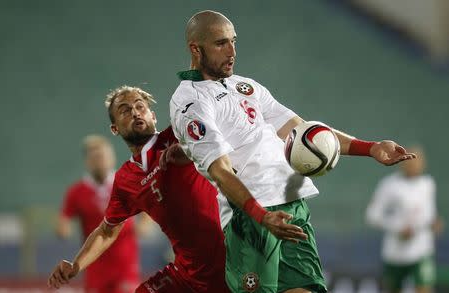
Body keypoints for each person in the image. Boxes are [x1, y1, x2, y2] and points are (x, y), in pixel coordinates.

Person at [169, 10, 416, 293]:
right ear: (195, 49)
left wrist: (369, 148)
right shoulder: (191, 102)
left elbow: (302, 130)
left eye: (234, 41)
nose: (232, 51)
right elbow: (221, 171)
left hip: (291, 202)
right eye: (221, 43)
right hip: (252, 216)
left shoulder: (244, 86)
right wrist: (261, 216)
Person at [48, 86, 230, 293]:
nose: (135, 112)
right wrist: (76, 265)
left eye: (140, 107)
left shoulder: (179, 136)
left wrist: (189, 151)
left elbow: (222, 145)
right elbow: (107, 231)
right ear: (115, 128)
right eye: (125, 110)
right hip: (189, 273)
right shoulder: (126, 179)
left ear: (152, 116)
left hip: (232, 259)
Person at [56, 135, 141, 293]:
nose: (100, 161)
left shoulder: (126, 183)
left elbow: (149, 205)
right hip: (94, 266)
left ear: (112, 158)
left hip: (125, 264)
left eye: (102, 156)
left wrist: (144, 225)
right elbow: (63, 220)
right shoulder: (77, 191)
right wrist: (63, 229)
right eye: (95, 157)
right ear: (87, 162)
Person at [366, 146, 443, 293]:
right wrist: (398, 228)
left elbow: (428, 214)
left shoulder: (428, 184)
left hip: (421, 250)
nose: (413, 165)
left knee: (424, 288)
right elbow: (372, 215)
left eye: (418, 162)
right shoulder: (389, 185)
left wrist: (434, 222)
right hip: (395, 253)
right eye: (410, 161)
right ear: (402, 162)